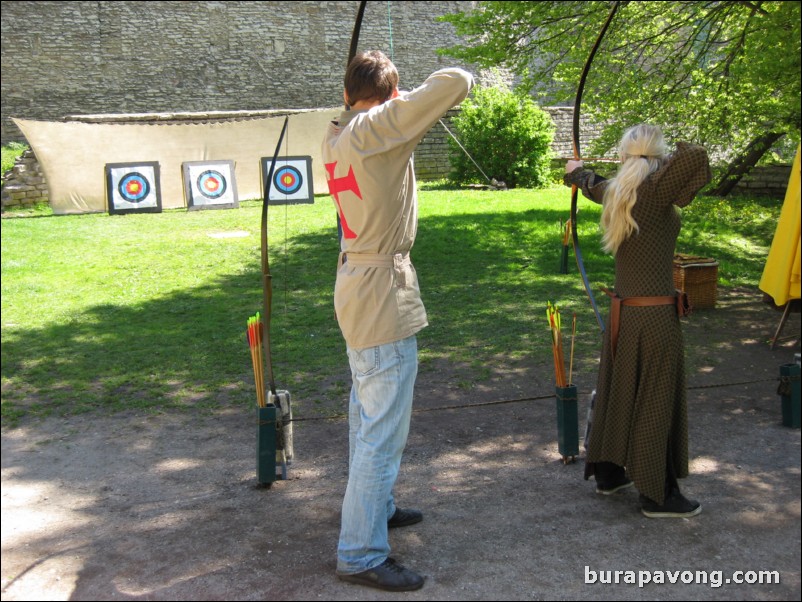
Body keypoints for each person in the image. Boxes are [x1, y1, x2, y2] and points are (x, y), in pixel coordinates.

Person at [321, 50, 474, 591]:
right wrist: (401, 99)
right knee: (381, 431)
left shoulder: (338, 135)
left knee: (369, 411)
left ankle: (376, 509)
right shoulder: (375, 129)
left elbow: (350, 117)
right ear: (388, 95)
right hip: (379, 290)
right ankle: (360, 553)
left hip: (360, 284)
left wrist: (365, 102)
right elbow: (458, 79)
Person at [564, 124, 712, 518]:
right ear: (655, 154)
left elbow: (590, 182)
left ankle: (610, 473)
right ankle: (658, 494)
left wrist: (579, 172)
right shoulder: (656, 191)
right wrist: (655, 160)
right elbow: (696, 154)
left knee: (619, 392)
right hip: (656, 319)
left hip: (624, 318)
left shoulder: (617, 191)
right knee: (654, 401)